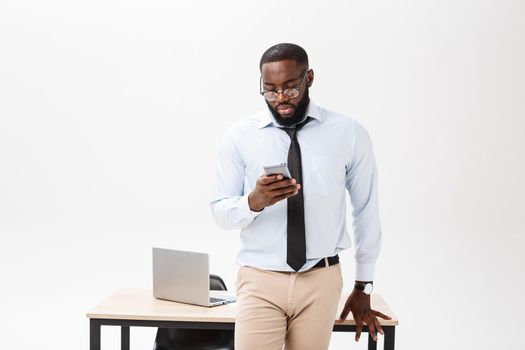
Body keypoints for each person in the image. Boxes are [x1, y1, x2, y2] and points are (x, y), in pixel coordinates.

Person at [210, 43, 391, 350]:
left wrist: (364, 284)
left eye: (291, 88)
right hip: (259, 279)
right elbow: (220, 211)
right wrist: (255, 201)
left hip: (320, 279)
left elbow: (366, 209)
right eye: (270, 90)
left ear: (309, 78)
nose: (280, 99)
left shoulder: (348, 132)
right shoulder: (239, 136)